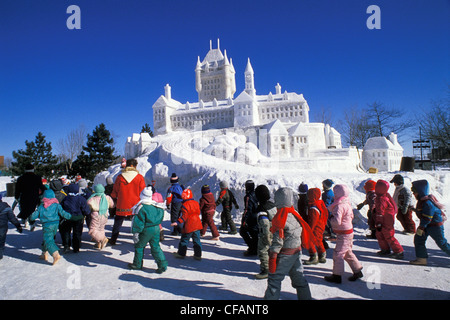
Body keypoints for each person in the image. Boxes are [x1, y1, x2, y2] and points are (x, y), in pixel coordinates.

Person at [264, 187, 314, 300]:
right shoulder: (294, 213)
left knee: (274, 279)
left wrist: (273, 255)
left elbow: (278, 240)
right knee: (298, 277)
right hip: (297, 251)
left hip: (285, 254)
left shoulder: (280, 217)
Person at [29, 189, 81, 265]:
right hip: (56, 224)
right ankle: (44, 253)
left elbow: (33, 216)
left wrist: (30, 217)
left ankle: (55, 254)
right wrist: (71, 217)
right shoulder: (57, 205)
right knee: (48, 238)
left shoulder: (42, 206)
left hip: (47, 225)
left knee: (48, 240)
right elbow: (63, 213)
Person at [324, 184, 363, 284]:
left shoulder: (339, 206)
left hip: (343, 233)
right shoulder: (346, 203)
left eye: (335, 192)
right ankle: (357, 270)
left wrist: (330, 220)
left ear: (337, 194)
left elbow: (337, 221)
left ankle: (337, 276)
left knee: (338, 254)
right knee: (347, 253)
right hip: (348, 232)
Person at [409, 180, 450, 265]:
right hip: (427, 225)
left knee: (442, 243)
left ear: (420, 192)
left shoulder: (427, 202)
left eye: (414, 192)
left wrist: (421, 227)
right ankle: (421, 259)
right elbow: (423, 212)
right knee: (418, 239)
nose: (413, 194)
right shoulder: (422, 201)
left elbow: (427, 217)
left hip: (435, 226)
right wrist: (414, 210)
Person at [129, 187, 168, 273]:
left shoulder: (141, 207)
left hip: (146, 230)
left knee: (139, 246)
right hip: (156, 228)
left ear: (142, 195)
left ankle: (137, 264)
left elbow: (138, 222)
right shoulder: (156, 206)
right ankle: (162, 265)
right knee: (156, 247)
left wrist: (136, 233)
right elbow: (160, 215)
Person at [110, 158, 146, 244]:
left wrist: (114, 197)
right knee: (138, 222)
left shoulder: (120, 177)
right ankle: (139, 240)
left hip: (122, 203)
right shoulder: (139, 177)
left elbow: (115, 190)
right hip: (135, 204)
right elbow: (143, 191)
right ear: (134, 166)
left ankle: (113, 239)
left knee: (118, 222)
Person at [373, 179, 404, 259]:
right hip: (388, 220)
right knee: (380, 235)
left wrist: (379, 223)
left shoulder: (381, 199)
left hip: (385, 221)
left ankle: (398, 251)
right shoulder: (385, 195)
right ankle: (385, 249)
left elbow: (380, 213)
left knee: (388, 236)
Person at [172, 189, 203, 260]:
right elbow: (198, 212)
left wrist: (177, 222)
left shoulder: (184, 205)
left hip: (189, 225)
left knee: (184, 240)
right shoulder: (196, 203)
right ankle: (198, 255)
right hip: (197, 224)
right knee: (197, 241)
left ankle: (181, 254)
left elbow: (184, 216)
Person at [60, 183, 91, 253]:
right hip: (78, 218)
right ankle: (76, 247)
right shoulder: (81, 198)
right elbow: (85, 209)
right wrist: (87, 213)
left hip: (67, 218)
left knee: (67, 232)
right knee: (77, 232)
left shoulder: (65, 198)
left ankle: (67, 245)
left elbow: (61, 207)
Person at [254, 184, 277, 279]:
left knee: (262, 250)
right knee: (274, 249)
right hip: (275, 230)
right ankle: (275, 265)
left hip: (266, 232)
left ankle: (266, 269)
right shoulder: (272, 204)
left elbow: (264, 223)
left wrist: (265, 236)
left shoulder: (261, 208)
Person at [14, 163, 45, 228]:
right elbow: (41, 187)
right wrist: (42, 193)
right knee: (32, 209)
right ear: (33, 169)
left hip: (24, 197)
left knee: (25, 208)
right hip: (34, 196)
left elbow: (17, 189)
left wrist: (16, 196)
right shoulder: (37, 178)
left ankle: (26, 220)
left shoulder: (20, 178)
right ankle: (31, 221)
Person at [304, 188, 328, 265]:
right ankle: (322, 254)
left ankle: (313, 256)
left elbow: (313, 220)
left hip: (316, 226)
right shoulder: (319, 202)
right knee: (318, 240)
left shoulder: (314, 207)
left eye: (309, 195)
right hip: (320, 225)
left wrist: (309, 230)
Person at [87, 184, 115, 250]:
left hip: (96, 215)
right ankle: (98, 244)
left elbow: (87, 206)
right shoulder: (107, 197)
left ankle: (103, 239)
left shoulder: (92, 198)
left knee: (92, 230)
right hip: (105, 214)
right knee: (101, 229)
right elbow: (112, 205)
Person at [0, 194, 22, 259]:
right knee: (1, 242)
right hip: (2, 228)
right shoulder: (6, 207)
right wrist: (18, 226)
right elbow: (12, 218)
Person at [240, 180, 259, 256]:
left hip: (251, 218)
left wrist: (244, 220)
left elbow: (248, 209)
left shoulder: (248, 196)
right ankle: (255, 248)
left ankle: (253, 248)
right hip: (257, 216)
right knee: (254, 234)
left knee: (243, 231)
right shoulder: (256, 194)